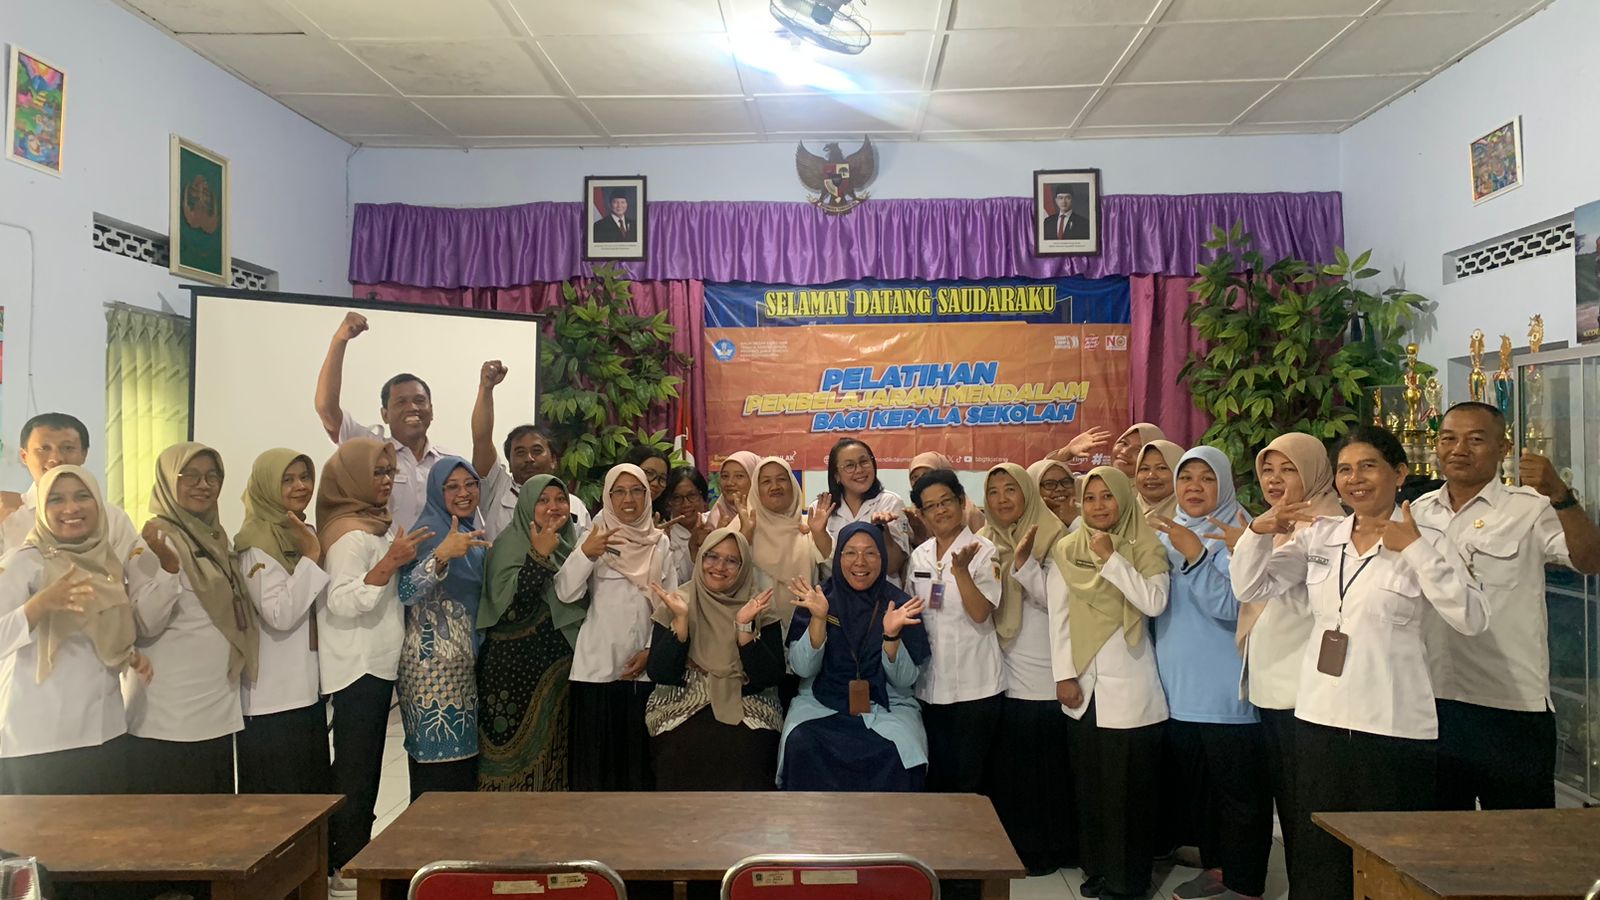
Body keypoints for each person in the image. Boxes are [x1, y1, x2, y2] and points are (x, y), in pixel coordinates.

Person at [1232, 426, 1487, 900]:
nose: (1355, 479)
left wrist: (1415, 550)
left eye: (1368, 466)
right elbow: (1252, 587)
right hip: (1319, 717)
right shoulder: (1322, 536)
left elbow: (1472, 618)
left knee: (1391, 857)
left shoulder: (1427, 538)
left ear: (1399, 473)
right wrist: (1257, 533)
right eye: (1345, 469)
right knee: (1320, 856)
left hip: (1392, 723)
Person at [1412, 403, 1600, 810]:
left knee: (1523, 838)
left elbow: (1589, 560)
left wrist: (1560, 495)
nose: (1459, 449)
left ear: (1504, 448)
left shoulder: (1530, 508)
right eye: (1448, 438)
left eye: (1475, 440)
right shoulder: (1417, 512)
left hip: (1510, 706)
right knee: (1439, 839)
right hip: (1432, 701)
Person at [1146, 447, 1271, 900]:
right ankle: (1220, 869)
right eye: (1186, 478)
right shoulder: (1166, 532)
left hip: (1226, 695)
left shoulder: (1240, 532)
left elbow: (1234, 607)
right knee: (1204, 794)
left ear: (1225, 483)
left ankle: (1245, 884)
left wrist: (1197, 554)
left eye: (1206, 478)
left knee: (1239, 797)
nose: (1194, 487)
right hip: (1178, 692)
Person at [0, 466, 168, 794]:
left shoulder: (106, 561)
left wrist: (129, 655)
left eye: (82, 496)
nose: (72, 508)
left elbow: (103, 624)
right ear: (42, 508)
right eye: (56, 500)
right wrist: (37, 606)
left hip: (105, 730)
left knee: (106, 827)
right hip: (42, 740)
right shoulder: (24, 562)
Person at [1048, 467, 1171, 900]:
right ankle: (1098, 868)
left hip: (1131, 687)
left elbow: (1154, 602)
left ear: (1123, 498)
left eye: (1107, 496)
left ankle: (1128, 882)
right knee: (1092, 789)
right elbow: (1059, 616)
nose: (1098, 506)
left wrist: (1112, 560)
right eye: (1090, 497)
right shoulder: (1067, 548)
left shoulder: (1146, 545)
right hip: (1083, 686)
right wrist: (1063, 674)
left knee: (1128, 794)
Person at [316, 438, 433, 886]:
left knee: (364, 768)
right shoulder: (349, 534)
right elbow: (341, 600)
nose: (386, 481)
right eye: (377, 473)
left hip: (377, 661)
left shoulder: (374, 524)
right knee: (355, 770)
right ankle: (343, 864)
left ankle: (352, 855)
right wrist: (388, 563)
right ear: (352, 478)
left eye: (389, 472)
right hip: (358, 664)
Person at [1231, 432, 1343, 885]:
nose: (1274, 480)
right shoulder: (1280, 523)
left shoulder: (1327, 526)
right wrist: (1258, 532)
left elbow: (1252, 586)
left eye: (1288, 469)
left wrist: (1256, 534)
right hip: (1272, 686)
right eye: (1268, 470)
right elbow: (1247, 589)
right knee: (1290, 802)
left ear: (1314, 472)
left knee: (1306, 810)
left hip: (1304, 691)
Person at [126, 443, 256, 793]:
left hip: (215, 704)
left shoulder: (214, 537)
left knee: (214, 816)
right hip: (169, 715)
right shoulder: (154, 540)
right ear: (169, 481)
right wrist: (169, 569)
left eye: (212, 476)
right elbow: (145, 623)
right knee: (171, 819)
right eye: (191, 476)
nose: (204, 485)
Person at [778, 523, 930, 791]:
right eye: (850, 552)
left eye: (870, 553)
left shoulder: (899, 604)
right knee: (801, 743)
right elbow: (802, 669)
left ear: (882, 558)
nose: (860, 562)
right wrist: (818, 619)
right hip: (820, 702)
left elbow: (904, 681)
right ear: (838, 558)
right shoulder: (819, 598)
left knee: (900, 751)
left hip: (886, 705)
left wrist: (891, 636)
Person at [556, 463, 677, 791]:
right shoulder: (593, 536)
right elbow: (566, 592)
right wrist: (586, 554)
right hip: (597, 668)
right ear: (608, 497)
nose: (628, 499)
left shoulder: (659, 543)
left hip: (642, 668)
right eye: (619, 492)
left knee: (636, 765)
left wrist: (651, 650)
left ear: (647, 495)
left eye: (636, 490)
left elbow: (669, 605)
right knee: (597, 768)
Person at [980, 463, 1075, 877]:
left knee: (1048, 772)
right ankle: (1020, 849)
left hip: (1046, 672)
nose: (1002, 499)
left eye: (1011, 489)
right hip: (1004, 672)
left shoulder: (1057, 537)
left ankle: (1052, 850)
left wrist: (1025, 564)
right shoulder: (985, 542)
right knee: (1016, 774)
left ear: (1028, 493)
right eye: (994, 491)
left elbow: (1063, 605)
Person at [645, 528, 785, 789]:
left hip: (748, 699)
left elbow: (770, 677)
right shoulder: (679, 602)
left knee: (746, 750)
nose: (719, 567)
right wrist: (681, 622)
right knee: (679, 749)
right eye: (712, 556)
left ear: (744, 567)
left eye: (732, 561)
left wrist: (745, 629)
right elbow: (661, 673)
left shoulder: (759, 607)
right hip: (684, 697)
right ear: (700, 558)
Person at [234, 449, 332, 795]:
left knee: (312, 801)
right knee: (278, 807)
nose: (300, 486)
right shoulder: (256, 543)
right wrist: (311, 556)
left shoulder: (299, 532)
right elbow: (279, 614)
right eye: (287, 479)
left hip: (306, 692)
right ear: (266, 486)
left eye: (305, 477)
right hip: (271, 701)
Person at [477, 475, 580, 791]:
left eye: (560, 499)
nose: (553, 507)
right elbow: (509, 612)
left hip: (558, 675)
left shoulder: (571, 546)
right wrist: (538, 557)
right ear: (526, 506)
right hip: (513, 673)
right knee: (511, 760)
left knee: (555, 756)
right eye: (542, 500)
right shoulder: (508, 546)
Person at [398, 458, 493, 798]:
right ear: (437, 492)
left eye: (470, 484)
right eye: (452, 487)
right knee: (440, 776)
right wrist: (440, 556)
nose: (463, 493)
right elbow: (406, 591)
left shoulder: (470, 532)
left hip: (464, 667)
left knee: (461, 773)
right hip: (433, 673)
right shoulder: (427, 532)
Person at [908, 469, 1004, 794]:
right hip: (930, 686)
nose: (940, 511)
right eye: (931, 506)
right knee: (936, 777)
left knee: (969, 780)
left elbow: (980, 613)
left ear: (961, 501)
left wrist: (961, 572)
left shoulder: (984, 551)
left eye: (946, 501)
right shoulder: (919, 556)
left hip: (975, 687)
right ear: (921, 514)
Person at [314, 311, 455, 529]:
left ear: (432, 410)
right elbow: (326, 408)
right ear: (385, 414)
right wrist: (340, 340)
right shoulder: (370, 450)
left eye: (419, 400)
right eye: (401, 402)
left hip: (438, 552)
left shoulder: (448, 462)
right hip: (380, 551)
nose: (412, 408)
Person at [470, 360, 590, 540]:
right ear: (509, 463)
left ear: (553, 460)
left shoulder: (574, 506)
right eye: (520, 452)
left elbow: (585, 553)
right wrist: (486, 389)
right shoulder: (497, 491)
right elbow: (482, 440)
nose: (529, 458)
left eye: (537, 450)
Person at [0, 413, 138, 558]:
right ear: (24, 456)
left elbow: (137, 571)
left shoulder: (113, 518)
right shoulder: (7, 515)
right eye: (44, 449)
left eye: (68, 448)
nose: (56, 459)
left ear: (84, 454)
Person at [809, 438, 911, 585]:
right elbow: (825, 570)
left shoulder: (890, 502)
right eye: (850, 465)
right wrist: (819, 534)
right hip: (837, 596)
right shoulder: (820, 509)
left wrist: (882, 530)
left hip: (883, 595)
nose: (859, 470)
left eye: (864, 462)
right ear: (836, 475)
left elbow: (893, 566)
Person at [748, 456, 820, 627]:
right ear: (756, 489)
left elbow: (832, 571)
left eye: (781, 479)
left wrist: (820, 534)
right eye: (766, 481)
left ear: (793, 484)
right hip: (756, 628)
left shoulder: (810, 526)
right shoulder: (744, 525)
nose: (775, 487)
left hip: (807, 627)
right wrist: (744, 535)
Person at [906, 450, 984, 538]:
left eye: (926, 474)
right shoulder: (915, 512)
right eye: (914, 477)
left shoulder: (970, 513)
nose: (920, 481)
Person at [661, 466, 715, 583]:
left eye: (692, 495)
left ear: (702, 497)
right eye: (677, 498)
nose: (686, 504)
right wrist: (692, 548)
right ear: (668, 502)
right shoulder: (664, 535)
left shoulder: (715, 521)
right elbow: (672, 584)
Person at [706, 451, 761, 530]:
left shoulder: (769, 516)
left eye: (739, 476)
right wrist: (719, 534)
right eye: (725, 476)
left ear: (754, 479)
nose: (729, 483)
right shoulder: (715, 520)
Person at [1135, 440, 1184, 517]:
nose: (1151, 475)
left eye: (1161, 468)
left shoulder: (1192, 517)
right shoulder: (1124, 513)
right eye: (1144, 468)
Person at [1029, 459, 1080, 529]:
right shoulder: (1025, 523)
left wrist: (1074, 521)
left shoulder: (1088, 512)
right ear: (1034, 488)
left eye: (1066, 482)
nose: (1060, 488)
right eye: (1050, 484)